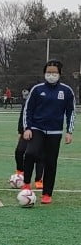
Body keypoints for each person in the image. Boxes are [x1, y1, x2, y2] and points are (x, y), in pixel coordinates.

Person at [21, 59, 75, 204]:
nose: (51, 75)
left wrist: (69, 131)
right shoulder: (37, 89)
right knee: (30, 153)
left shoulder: (66, 91)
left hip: (55, 132)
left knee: (51, 162)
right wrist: (27, 128)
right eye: (48, 72)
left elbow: (71, 112)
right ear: (44, 73)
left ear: (59, 74)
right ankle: (26, 183)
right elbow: (28, 109)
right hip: (37, 128)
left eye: (54, 72)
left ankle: (47, 194)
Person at [14, 89, 43, 189]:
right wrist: (20, 131)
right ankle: (20, 171)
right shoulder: (26, 102)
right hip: (27, 130)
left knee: (38, 156)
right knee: (19, 151)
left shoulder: (43, 101)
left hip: (40, 130)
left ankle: (38, 180)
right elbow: (22, 116)